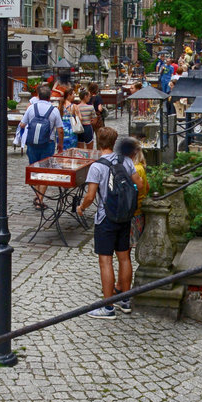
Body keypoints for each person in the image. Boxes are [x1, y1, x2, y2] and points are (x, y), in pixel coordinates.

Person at [76, 126, 137, 319]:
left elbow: (91, 195)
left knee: (105, 260)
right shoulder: (126, 161)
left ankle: (108, 306)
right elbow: (140, 185)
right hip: (125, 215)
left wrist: (81, 208)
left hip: (106, 217)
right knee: (125, 257)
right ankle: (125, 300)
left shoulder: (97, 166)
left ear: (99, 141)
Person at [15, 84, 64, 207]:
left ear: (38, 96)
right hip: (48, 143)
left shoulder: (31, 108)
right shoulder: (54, 110)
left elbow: (22, 124)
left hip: (32, 144)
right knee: (45, 171)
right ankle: (39, 199)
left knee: (34, 170)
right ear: (50, 97)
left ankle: (38, 197)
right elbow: (60, 130)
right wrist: (60, 145)